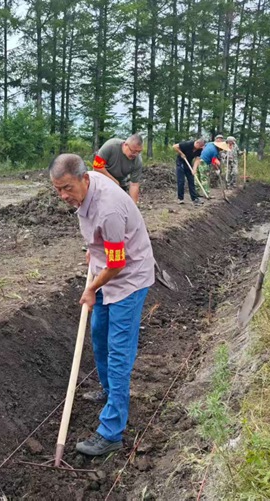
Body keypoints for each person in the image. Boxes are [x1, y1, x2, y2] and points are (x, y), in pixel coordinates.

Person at [50, 153, 155, 457]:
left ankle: (111, 432)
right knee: (98, 336)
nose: (64, 196)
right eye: (58, 190)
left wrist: (92, 289)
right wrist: (93, 252)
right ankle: (110, 392)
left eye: (67, 188)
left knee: (119, 352)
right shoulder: (87, 188)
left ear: (84, 179)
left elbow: (118, 262)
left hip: (128, 279)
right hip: (107, 270)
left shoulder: (107, 208)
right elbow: (102, 243)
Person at [92, 134, 144, 203]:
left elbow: (134, 184)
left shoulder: (138, 161)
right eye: (133, 151)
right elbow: (97, 167)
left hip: (120, 184)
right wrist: (114, 181)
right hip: (100, 180)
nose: (136, 154)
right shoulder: (110, 146)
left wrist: (134, 206)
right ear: (125, 145)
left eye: (139, 152)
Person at [172, 138, 205, 205]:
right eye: (200, 146)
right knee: (181, 181)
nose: (201, 148)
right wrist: (181, 153)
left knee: (191, 180)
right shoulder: (188, 144)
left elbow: (197, 159)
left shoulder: (200, 149)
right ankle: (180, 198)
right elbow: (174, 146)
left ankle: (194, 199)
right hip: (180, 162)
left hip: (188, 163)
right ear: (197, 143)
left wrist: (194, 169)